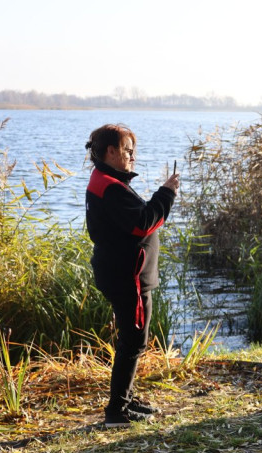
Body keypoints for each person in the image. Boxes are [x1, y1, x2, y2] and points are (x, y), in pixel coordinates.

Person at [85, 124, 179, 427]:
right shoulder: (109, 186)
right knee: (134, 341)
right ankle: (117, 411)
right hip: (128, 277)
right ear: (110, 152)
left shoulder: (108, 180)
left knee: (131, 341)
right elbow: (142, 223)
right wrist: (166, 193)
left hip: (124, 273)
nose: (132, 156)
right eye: (127, 150)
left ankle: (125, 398)